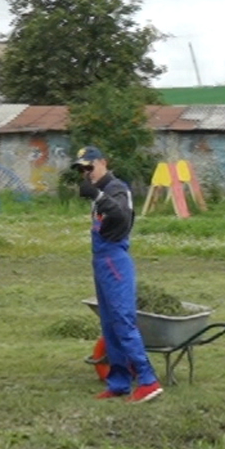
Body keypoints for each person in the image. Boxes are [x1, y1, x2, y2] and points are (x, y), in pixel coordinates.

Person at [73, 146, 163, 403]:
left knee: (123, 321)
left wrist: (98, 196)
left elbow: (122, 215)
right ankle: (120, 382)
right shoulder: (102, 191)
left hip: (114, 259)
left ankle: (147, 380)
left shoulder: (116, 188)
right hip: (101, 260)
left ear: (103, 162)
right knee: (109, 324)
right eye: (82, 169)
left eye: (90, 167)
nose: (86, 173)